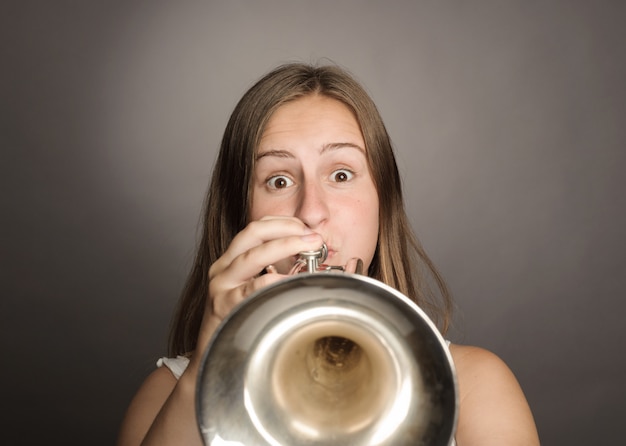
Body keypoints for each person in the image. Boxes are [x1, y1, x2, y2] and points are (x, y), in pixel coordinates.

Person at [116, 63, 540, 445]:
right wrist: (204, 375)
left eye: (341, 174)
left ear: (383, 201)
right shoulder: (169, 393)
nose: (312, 212)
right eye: (279, 181)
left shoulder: (476, 385)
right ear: (241, 213)